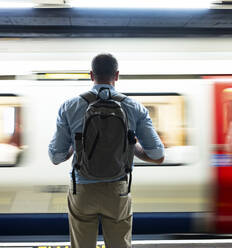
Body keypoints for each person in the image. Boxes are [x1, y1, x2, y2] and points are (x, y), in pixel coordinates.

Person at [48, 53, 165, 248]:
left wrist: (76, 145)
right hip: (117, 189)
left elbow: (56, 156)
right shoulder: (134, 107)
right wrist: (132, 145)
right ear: (117, 75)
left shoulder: (69, 107)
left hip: (82, 190)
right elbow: (158, 155)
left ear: (91, 75)